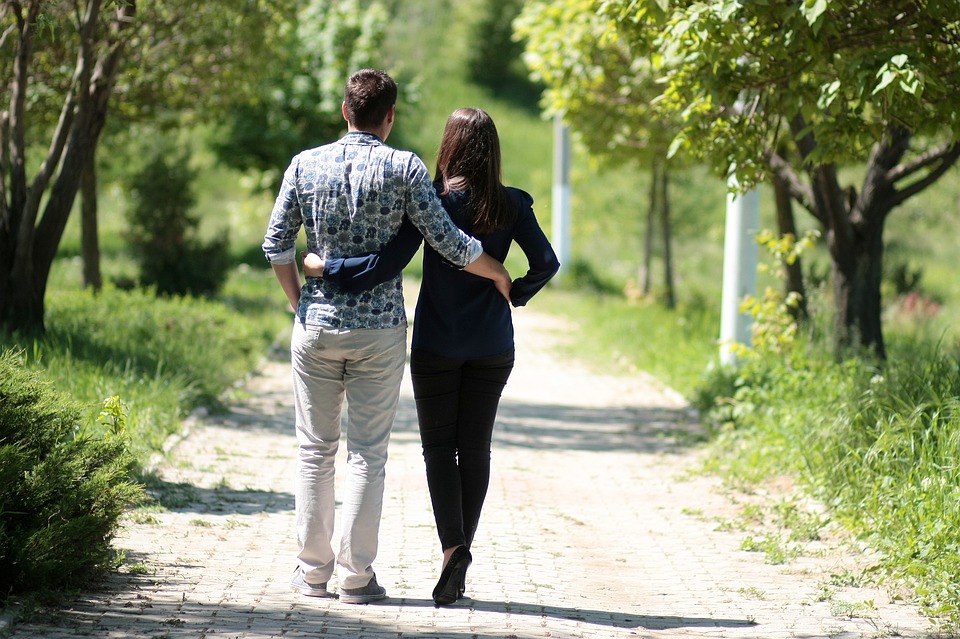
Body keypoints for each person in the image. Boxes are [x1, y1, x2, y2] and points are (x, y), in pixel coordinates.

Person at [262, 71, 510, 604]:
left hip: (317, 327)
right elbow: (450, 242)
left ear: (344, 110)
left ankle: (312, 573)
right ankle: (356, 577)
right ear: (390, 116)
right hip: (379, 332)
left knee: (314, 450)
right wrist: (497, 273)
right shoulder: (405, 167)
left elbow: (276, 245)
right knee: (367, 454)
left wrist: (297, 301)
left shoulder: (304, 164)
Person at [303, 107, 560, 605]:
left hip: (437, 343)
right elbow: (547, 262)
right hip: (491, 344)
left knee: (439, 450)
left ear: (450, 147)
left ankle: (452, 547)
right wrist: (515, 292)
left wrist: (327, 267)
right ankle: (458, 553)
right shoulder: (512, 204)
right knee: (477, 446)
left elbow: (386, 262)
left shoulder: (433, 204)